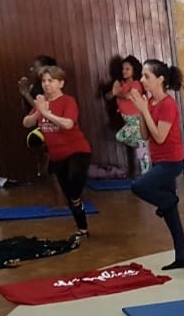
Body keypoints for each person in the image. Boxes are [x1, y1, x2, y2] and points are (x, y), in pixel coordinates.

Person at [129, 59, 184, 270]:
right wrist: (141, 111)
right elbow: (146, 135)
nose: (142, 80)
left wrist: (144, 111)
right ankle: (183, 257)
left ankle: (170, 200)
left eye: (146, 76)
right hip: (158, 161)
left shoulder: (168, 104)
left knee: (138, 186)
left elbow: (160, 136)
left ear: (160, 79)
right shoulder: (150, 103)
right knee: (171, 214)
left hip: (171, 162)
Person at [22, 66, 92, 237]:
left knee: (74, 181)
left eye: (51, 81)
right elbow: (26, 123)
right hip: (57, 156)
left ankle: (77, 202)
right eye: (44, 81)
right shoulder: (42, 103)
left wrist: (46, 113)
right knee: (70, 195)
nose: (46, 84)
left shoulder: (68, 101)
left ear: (60, 83)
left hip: (77, 151)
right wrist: (38, 112)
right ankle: (82, 229)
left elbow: (68, 124)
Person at [19, 55, 58, 177]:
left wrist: (26, 94)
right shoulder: (36, 85)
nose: (31, 69)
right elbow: (29, 108)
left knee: (53, 159)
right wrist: (25, 94)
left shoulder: (48, 85)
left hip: (50, 124)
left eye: (35, 67)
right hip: (39, 123)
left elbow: (42, 108)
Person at [107, 56, 145, 157]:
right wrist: (114, 91)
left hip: (135, 119)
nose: (124, 71)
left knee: (120, 136)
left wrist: (116, 93)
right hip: (126, 119)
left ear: (134, 70)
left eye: (127, 69)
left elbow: (128, 96)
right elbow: (109, 96)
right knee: (140, 146)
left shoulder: (136, 84)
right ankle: (143, 149)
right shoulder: (121, 84)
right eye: (123, 69)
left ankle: (143, 147)